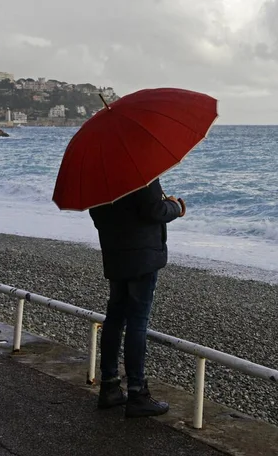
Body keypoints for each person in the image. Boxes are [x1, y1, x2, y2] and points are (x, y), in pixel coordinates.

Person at [89, 177, 186, 417]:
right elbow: (154, 210)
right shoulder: (141, 173)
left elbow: (97, 216)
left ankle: (110, 386)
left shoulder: (96, 175)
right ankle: (137, 392)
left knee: (114, 319)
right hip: (142, 257)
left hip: (115, 254)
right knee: (137, 322)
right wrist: (175, 206)